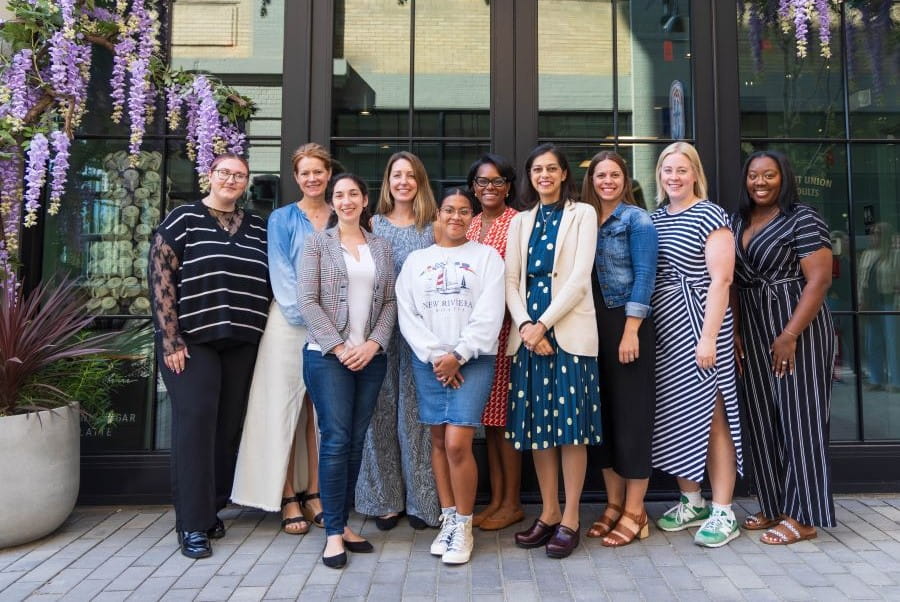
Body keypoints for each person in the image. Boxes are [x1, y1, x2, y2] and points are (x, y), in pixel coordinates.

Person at [149, 154, 269, 559]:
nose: (231, 180)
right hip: (192, 342)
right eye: (225, 173)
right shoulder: (183, 219)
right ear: (210, 176)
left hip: (242, 342)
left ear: (246, 182)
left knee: (226, 429)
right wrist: (171, 340)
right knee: (195, 427)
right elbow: (161, 276)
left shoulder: (258, 227)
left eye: (239, 175)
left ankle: (211, 508)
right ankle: (192, 525)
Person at [397, 188, 506, 564]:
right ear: (438, 215)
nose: (456, 217)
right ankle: (447, 518)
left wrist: (458, 355)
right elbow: (407, 312)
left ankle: (464, 524)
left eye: (464, 211)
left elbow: (491, 313)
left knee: (460, 441)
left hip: (472, 360)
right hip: (429, 361)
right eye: (449, 210)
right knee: (440, 440)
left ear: (472, 217)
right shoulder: (416, 260)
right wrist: (436, 356)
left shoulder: (487, 257)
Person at [732, 150, 836, 544]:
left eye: (769, 176)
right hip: (755, 329)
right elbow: (736, 285)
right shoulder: (738, 220)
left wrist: (790, 334)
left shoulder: (802, 217)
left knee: (800, 421)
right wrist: (738, 332)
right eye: (754, 176)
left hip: (798, 330)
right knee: (761, 419)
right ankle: (774, 504)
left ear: (783, 177)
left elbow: (819, 280)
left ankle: (804, 515)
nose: (760, 182)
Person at [505, 143, 602, 559]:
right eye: (536, 170)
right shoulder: (520, 222)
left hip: (570, 336)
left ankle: (571, 518)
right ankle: (547, 512)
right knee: (540, 430)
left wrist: (543, 324)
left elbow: (579, 278)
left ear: (564, 174)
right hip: (529, 337)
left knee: (571, 430)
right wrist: (527, 326)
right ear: (530, 177)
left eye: (551, 169)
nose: (543, 175)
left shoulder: (583, 214)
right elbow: (510, 282)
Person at [231, 144, 332, 534]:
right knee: (284, 409)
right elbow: (282, 274)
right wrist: (310, 317)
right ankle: (287, 494)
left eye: (318, 172)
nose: (312, 179)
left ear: (328, 174)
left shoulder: (340, 213)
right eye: (305, 173)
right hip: (289, 322)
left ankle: (316, 492)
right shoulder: (282, 219)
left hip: (333, 325)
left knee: (319, 411)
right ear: (296, 177)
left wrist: (332, 322)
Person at [299, 173, 396, 568]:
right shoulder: (316, 244)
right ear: (333, 201)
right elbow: (307, 300)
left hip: (370, 358)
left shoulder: (381, 246)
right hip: (327, 358)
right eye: (339, 194)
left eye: (353, 193)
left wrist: (373, 345)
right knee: (337, 439)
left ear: (365, 198)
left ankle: (345, 522)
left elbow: (390, 301)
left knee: (357, 440)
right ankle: (334, 532)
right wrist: (339, 347)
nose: (346, 200)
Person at [649, 142, 743, 548]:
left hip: (703, 322)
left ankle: (724, 511)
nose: (674, 176)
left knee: (714, 415)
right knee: (678, 415)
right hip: (666, 325)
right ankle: (692, 500)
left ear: (695, 174)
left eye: (682, 170)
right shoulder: (653, 218)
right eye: (668, 170)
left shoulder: (710, 214)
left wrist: (709, 337)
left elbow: (721, 280)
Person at [356, 151, 441, 530]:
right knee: (379, 415)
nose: (403, 181)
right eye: (396, 175)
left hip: (421, 334)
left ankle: (423, 501)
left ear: (420, 181)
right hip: (379, 332)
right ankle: (384, 500)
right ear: (387, 182)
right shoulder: (371, 224)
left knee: (417, 418)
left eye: (410, 175)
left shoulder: (432, 225)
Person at [580, 151, 658, 547]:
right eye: (600, 175)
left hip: (626, 326)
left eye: (614, 175)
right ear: (591, 179)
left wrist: (631, 331)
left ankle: (635, 510)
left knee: (631, 419)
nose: (607, 181)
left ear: (624, 179)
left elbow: (645, 276)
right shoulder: (584, 219)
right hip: (590, 328)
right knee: (603, 420)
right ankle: (612, 505)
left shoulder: (637, 219)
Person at [464, 154, 524, 532]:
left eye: (497, 182)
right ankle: (495, 499)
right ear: (473, 187)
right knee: (488, 422)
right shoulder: (466, 224)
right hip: (474, 336)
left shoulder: (517, 223)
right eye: (482, 182)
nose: (489, 188)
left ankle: (512, 502)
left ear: (508, 186)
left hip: (507, 332)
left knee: (507, 421)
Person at [858, 222, 900, 392]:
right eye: (873, 232)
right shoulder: (867, 255)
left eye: (878, 233)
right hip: (872, 304)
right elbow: (861, 281)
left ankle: (897, 381)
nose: (874, 236)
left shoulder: (895, 254)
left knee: (893, 343)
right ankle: (876, 378)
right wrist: (861, 301)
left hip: (889, 302)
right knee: (872, 342)